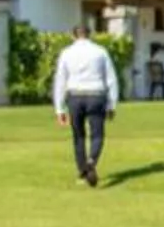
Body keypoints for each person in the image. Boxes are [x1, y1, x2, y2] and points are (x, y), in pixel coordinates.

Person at [50, 22, 119, 186]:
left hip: (75, 96)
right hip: (96, 95)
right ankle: (91, 161)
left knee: (78, 135)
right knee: (97, 134)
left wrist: (59, 108)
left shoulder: (66, 53)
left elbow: (60, 80)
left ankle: (82, 171)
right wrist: (112, 104)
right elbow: (111, 79)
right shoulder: (100, 52)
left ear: (73, 35)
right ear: (90, 34)